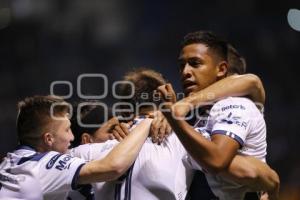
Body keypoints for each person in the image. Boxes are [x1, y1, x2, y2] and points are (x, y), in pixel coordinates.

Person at [70, 68, 278, 200]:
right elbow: (250, 173)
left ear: (123, 111)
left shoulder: (83, 152)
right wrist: (271, 185)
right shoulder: (182, 141)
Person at [157, 31, 279, 200]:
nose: (185, 71)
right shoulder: (196, 112)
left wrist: (176, 114)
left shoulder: (237, 104)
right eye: (182, 65)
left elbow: (252, 82)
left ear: (223, 71)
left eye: (195, 63)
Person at [0, 95, 152, 199]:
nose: (72, 137)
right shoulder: (43, 164)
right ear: (48, 139)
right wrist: (146, 122)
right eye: (67, 130)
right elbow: (113, 167)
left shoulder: (10, 162)